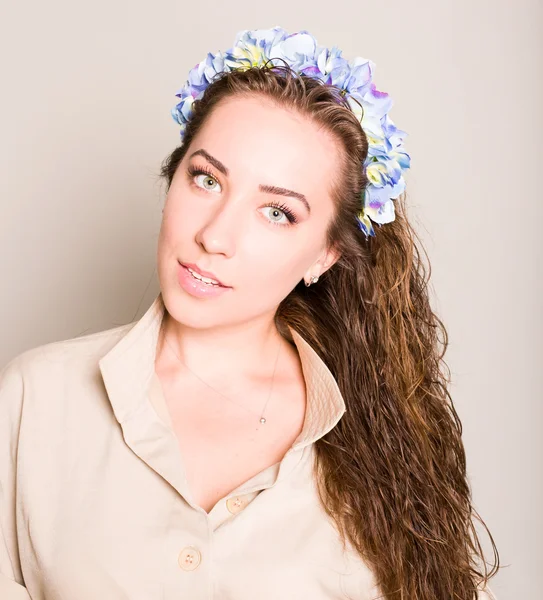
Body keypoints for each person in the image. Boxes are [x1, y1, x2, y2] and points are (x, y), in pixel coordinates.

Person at [0, 26, 499, 600]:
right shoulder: (36, 398)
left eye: (277, 213)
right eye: (206, 179)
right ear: (173, 173)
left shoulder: (385, 446)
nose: (214, 236)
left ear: (325, 255)